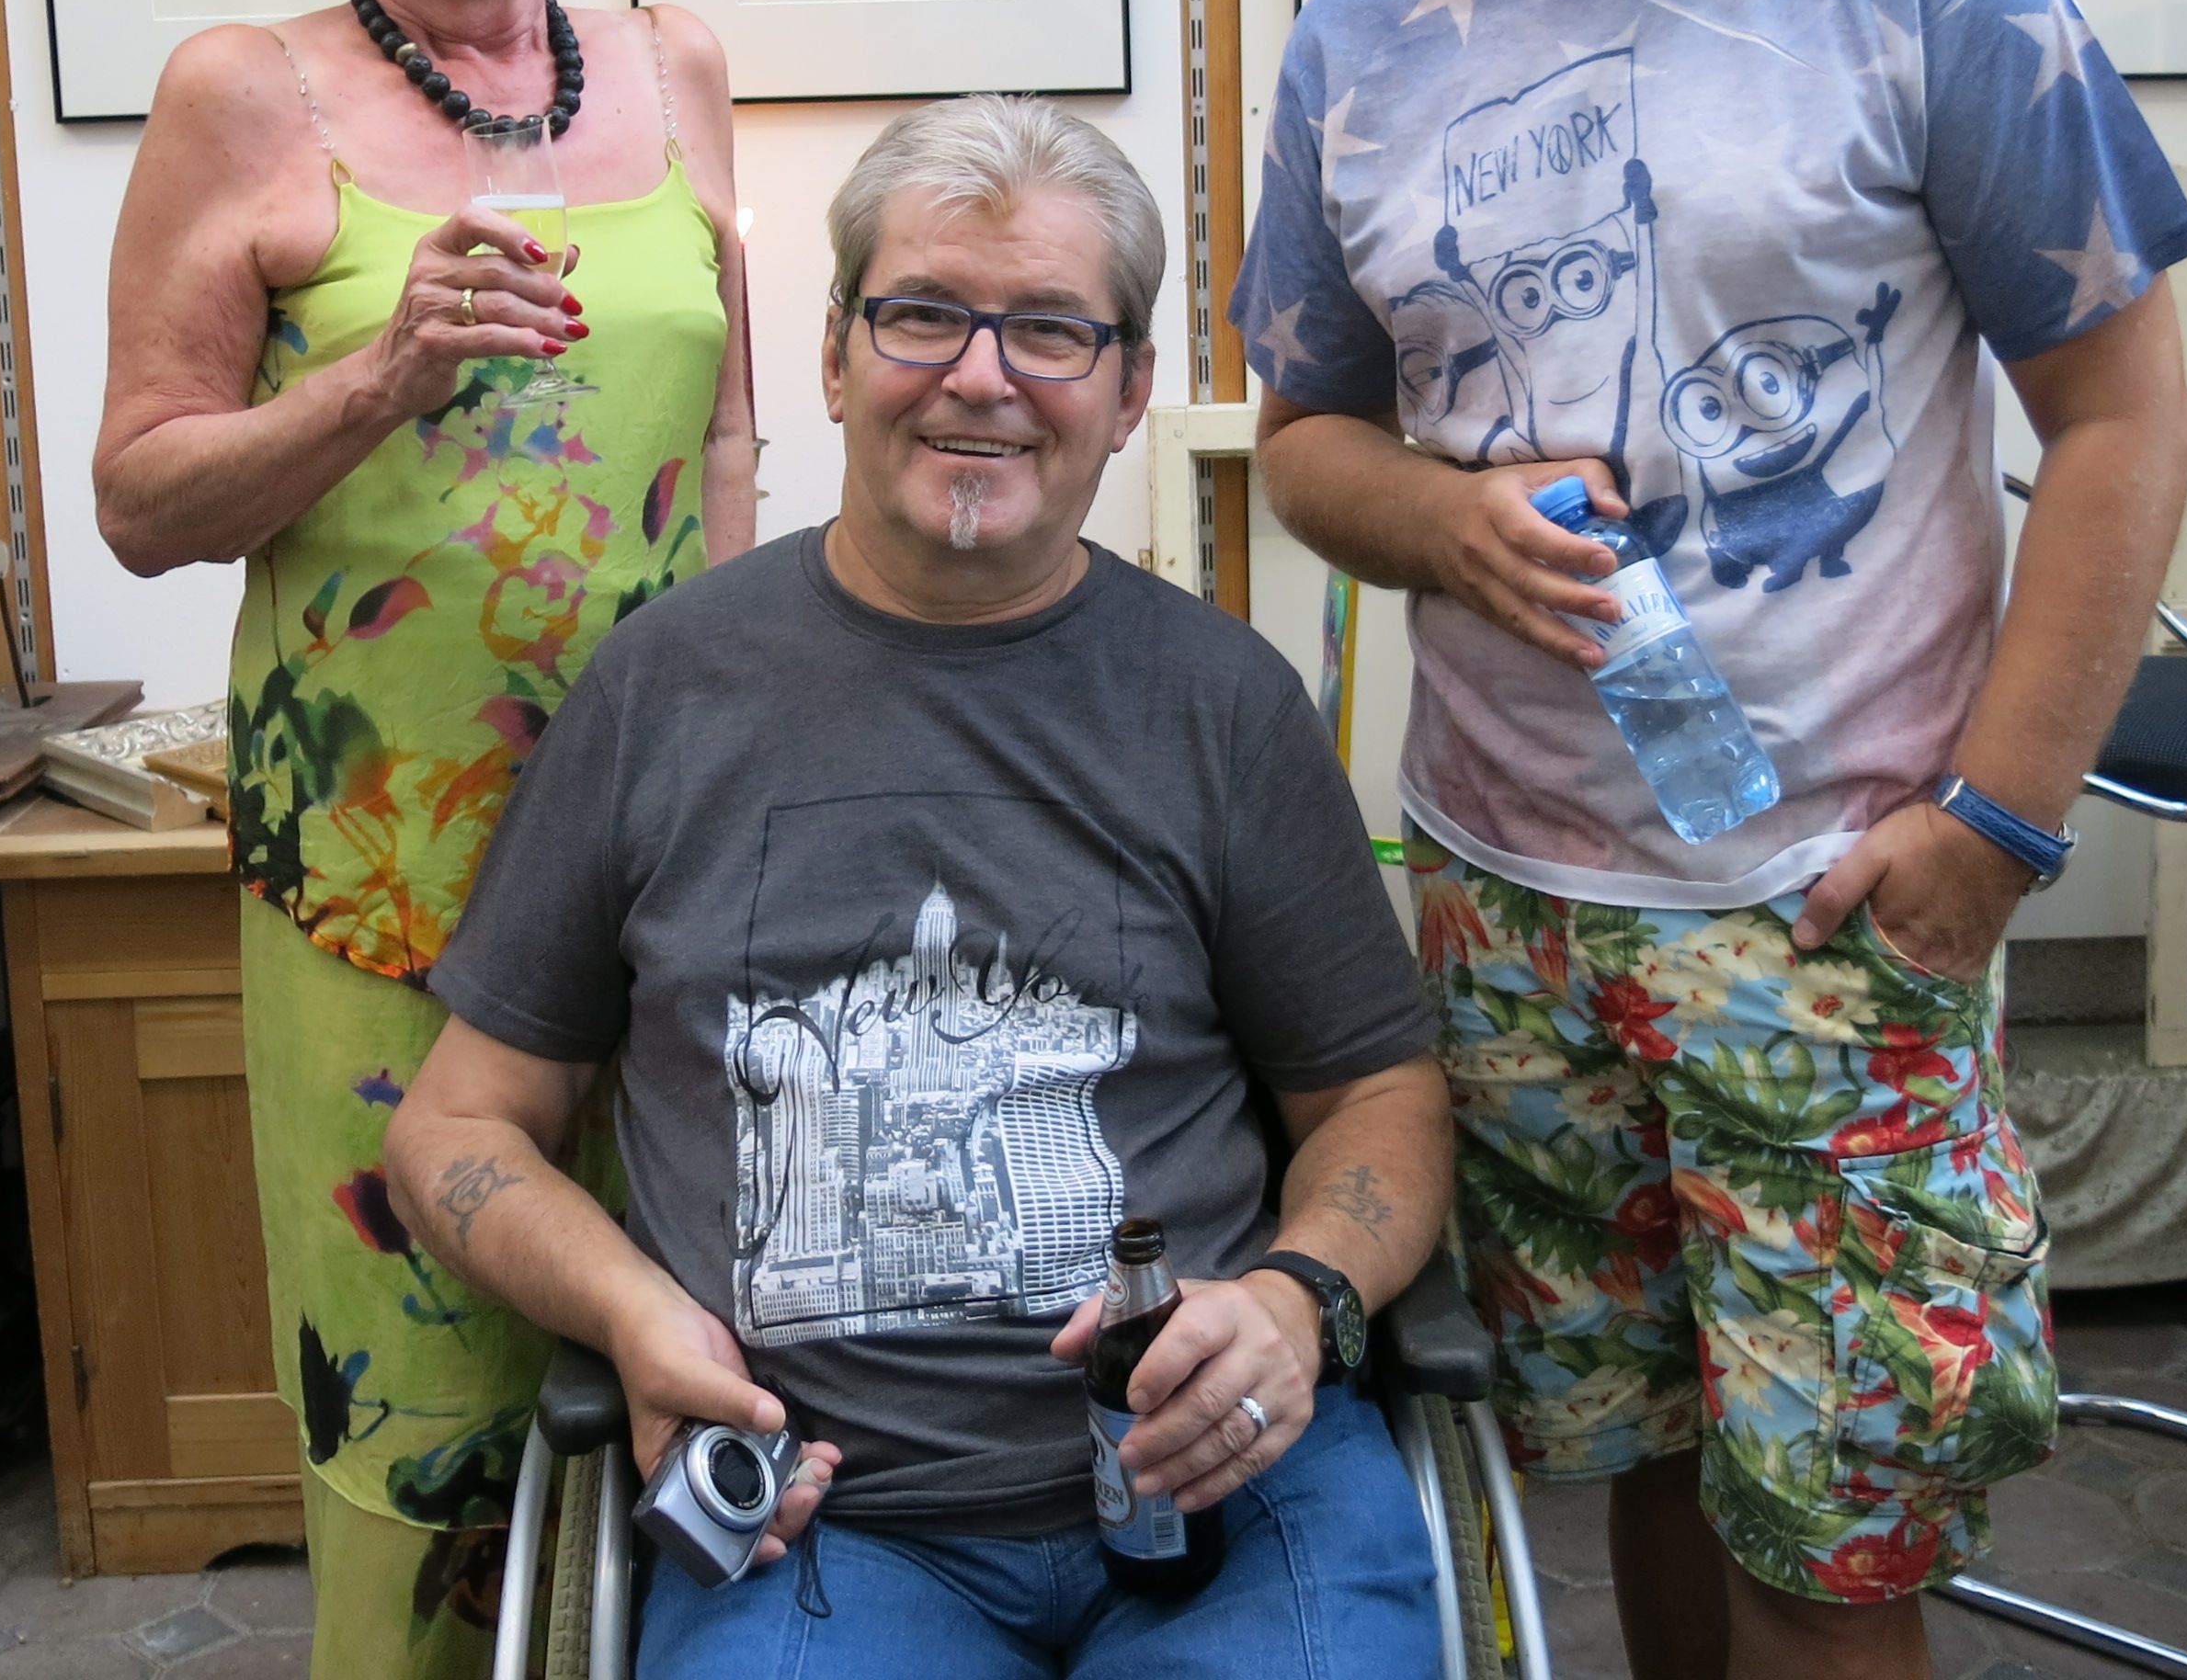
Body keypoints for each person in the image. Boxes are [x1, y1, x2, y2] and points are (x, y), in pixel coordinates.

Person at [1233, 0, 2187, 1680]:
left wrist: (1994, 830)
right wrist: (1445, 522)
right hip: (1504, 906)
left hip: (1832, 901)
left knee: (1829, 1552)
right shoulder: (1360, 32)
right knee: (1646, 1479)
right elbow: (1302, 448)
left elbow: (2124, 413)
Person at [387, 96, 1453, 1677]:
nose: (981, 376)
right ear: (833, 356)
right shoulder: (663, 690)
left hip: (1230, 1485)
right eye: (923, 314)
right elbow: (454, 1130)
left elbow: (1379, 1096)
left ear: (1130, 391)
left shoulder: (1224, 705)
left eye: (1051, 331)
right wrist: (631, 1315)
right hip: (823, 1516)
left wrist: (1304, 1300)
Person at [93, 0, 756, 1676]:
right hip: (386, 875)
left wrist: (756, 710)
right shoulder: (243, 95)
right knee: (423, 1401)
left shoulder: (676, 66)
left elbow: (728, 430)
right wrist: (379, 376)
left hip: (663, 852)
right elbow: (140, 499)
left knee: (696, 1341)